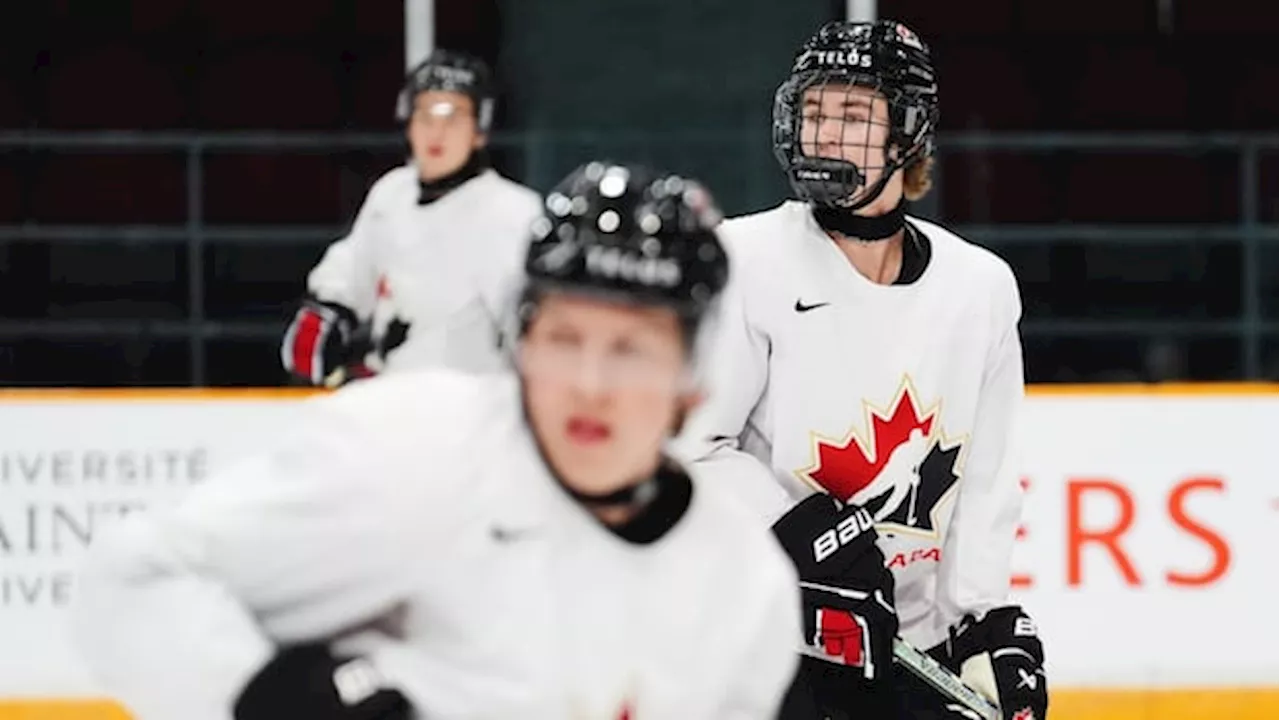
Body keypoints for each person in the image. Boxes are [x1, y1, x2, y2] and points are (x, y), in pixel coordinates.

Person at [72, 162, 802, 720]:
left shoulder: (743, 592)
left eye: (631, 350)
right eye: (563, 338)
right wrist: (269, 694)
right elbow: (134, 582)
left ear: (694, 378)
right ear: (520, 339)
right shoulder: (409, 450)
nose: (589, 382)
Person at [678, 20, 1048, 720]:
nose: (824, 134)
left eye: (852, 115)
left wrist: (983, 623)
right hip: (767, 639)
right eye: (815, 112)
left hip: (907, 646)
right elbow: (690, 447)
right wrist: (793, 530)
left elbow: (985, 482)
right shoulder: (745, 260)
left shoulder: (981, 288)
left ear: (908, 133)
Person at [281, 49, 542, 386]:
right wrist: (330, 308)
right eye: (425, 114)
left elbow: (532, 325)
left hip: (474, 405)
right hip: (393, 395)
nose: (437, 131)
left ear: (480, 129)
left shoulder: (513, 213)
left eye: (452, 116)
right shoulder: (392, 193)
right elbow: (353, 269)